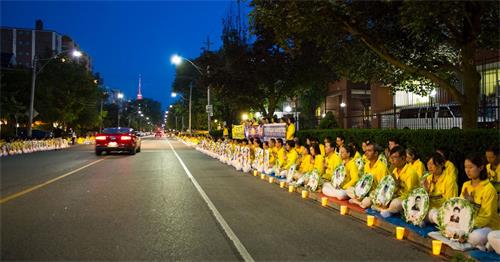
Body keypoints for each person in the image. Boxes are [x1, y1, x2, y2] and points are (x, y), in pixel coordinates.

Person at [461, 153, 500, 249]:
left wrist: (467, 226)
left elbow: (485, 217)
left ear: (481, 167)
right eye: (466, 167)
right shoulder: (466, 185)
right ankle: (482, 245)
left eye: (471, 167)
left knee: (475, 237)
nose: (467, 170)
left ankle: (485, 243)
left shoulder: (489, 189)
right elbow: (460, 207)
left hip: (487, 226)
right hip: (469, 223)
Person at [377, 146, 419, 218]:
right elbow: (392, 188)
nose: (391, 160)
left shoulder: (411, 173)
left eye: (394, 157)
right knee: (379, 196)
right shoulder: (395, 170)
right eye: (391, 158)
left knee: (395, 203)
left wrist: (398, 185)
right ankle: (387, 209)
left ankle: (389, 210)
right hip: (397, 196)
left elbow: (409, 195)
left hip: (407, 200)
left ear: (403, 158)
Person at [348, 142, 389, 208]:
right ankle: (359, 201)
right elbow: (364, 181)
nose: (366, 153)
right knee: (349, 189)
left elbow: (384, 188)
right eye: (366, 150)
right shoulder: (366, 165)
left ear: (376, 153)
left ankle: (358, 202)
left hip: (375, 193)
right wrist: (360, 191)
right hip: (366, 191)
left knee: (365, 202)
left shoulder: (382, 167)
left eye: (369, 151)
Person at [424, 153, 458, 225]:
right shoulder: (428, 178)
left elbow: (451, 203)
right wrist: (425, 192)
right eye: (428, 164)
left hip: (442, 212)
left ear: (442, 164)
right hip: (430, 210)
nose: (429, 167)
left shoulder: (449, 180)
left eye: (432, 164)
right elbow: (423, 201)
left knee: (434, 214)